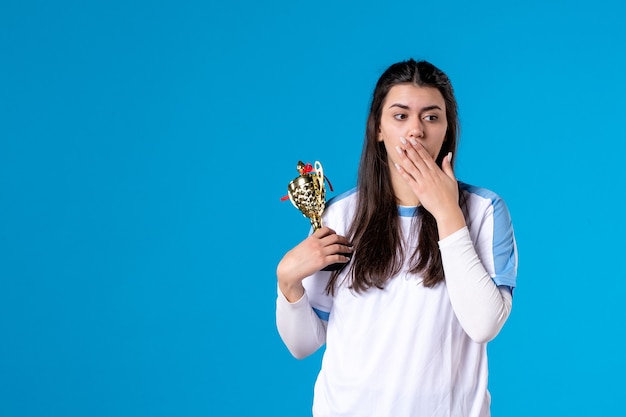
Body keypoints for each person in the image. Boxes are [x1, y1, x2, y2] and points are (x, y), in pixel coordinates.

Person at [275, 58, 518, 417]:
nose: (415, 131)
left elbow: (484, 324)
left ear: (447, 129)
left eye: (431, 117)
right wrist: (287, 282)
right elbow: (303, 344)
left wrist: (447, 212)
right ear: (378, 128)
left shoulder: (483, 211)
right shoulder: (339, 216)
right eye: (400, 116)